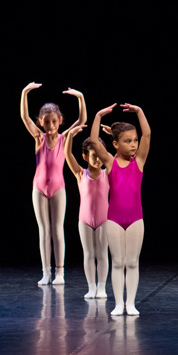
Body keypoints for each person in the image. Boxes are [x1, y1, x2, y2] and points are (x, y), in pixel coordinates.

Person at [20, 84, 86, 286]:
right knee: (44, 230)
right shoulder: (38, 137)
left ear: (60, 121)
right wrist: (24, 93)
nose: (50, 126)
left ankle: (60, 273)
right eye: (46, 122)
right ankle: (46, 272)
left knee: (58, 230)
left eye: (54, 122)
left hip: (58, 188)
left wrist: (80, 97)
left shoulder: (64, 138)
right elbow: (25, 118)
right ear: (41, 122)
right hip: (38, 189)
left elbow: (82, 121)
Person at [89, 103, 151, 316]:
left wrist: (140, 112)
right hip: (114, 219)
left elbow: (147, 135)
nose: (133, 145)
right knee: (117, 262)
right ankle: (118, 304)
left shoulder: (139, 162)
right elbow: (95, 142)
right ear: (115, 144)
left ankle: (131, 303)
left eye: (134, 140)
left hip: (136, 219)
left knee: (132, 262)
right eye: (127, 141)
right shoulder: (109, 162)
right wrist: (97, 115)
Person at [64, 124, 110, 299]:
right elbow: (67, 154)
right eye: (94, 156)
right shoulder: (80, 174)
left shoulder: (108, 173)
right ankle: (91, 287)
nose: (98, 159)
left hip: (104, 219)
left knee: (102, 254)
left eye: (101, 155)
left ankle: (102, 287)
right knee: (89, 254)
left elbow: (121, 159)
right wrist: (70, 136)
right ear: (85, 156)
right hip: (84, 220)